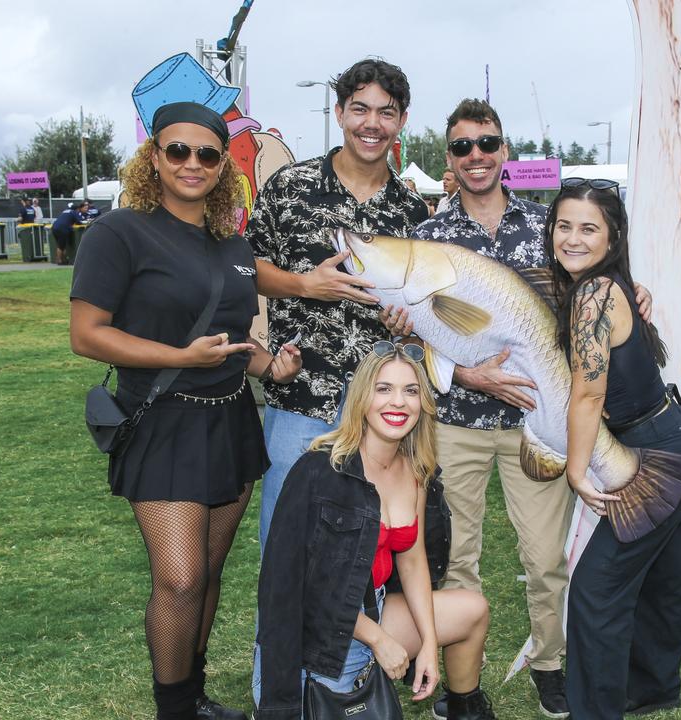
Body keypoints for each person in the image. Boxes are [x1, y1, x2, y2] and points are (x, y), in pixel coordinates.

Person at [380, 99, 654, 719]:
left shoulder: (547, 228)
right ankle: (462, 685)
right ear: (447, 157)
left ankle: (551, 668)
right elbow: (409, 339)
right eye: (461, 147)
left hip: (541, 421)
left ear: (505, 151)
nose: (475, 156)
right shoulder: (427, 238)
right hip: (455, 424)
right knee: (457, 556)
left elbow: (593, 287)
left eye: (487, 143)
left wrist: (629, 290)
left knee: (544, 556)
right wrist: (467, 373)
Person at [70, 101, 302, 720]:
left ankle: (193, 694)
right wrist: (181, 355)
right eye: (178, 150)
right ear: (154, 156)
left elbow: (229, 336)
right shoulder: (118, 232)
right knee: (179, 578)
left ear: (225, 162)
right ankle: (172, 708)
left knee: (208, 573)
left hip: (229, 420)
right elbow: (87, 334)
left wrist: (266, 364)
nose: (192, 163)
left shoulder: (230, 241)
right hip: (163, 421)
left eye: (207, 153)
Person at [246, 57, 428, 551]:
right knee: (287, 547)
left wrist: (405, 324)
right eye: (360, 109)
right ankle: (276, 635)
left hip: (381, 408)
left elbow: (422, 311)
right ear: (340, 113)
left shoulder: (413, 213)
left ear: (402, 120)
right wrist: (305, 284)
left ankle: (358, 635)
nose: (372, 123)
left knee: (366, 552)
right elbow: (245, 269)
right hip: (300, 399)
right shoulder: (290, 187)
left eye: (386, 113)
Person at [256, 344, 496, 720]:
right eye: (383, 389)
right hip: (321, 637)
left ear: (424, 403)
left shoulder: (416, 472)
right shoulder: (319, 472)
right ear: (362, 398)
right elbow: (299, 588)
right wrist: (379, 640)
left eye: (411, 391)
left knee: (472, 609)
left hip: (373, 609)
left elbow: (413, 560)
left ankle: (466, 710)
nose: (398, 402)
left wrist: (429, 644)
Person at [544, 179, 681, 719]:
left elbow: (588, 394)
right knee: (661, 576)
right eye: (563, 225)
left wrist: (575, 470)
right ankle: (652, 685)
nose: (572, 238)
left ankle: (597, 708)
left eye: (588, 228)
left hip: (657, 455)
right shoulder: (607, 286)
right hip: (673, 438)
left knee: (596, 590)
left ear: (612, 236)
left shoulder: (593, 295)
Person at [52, 200, 89, 264]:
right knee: (61, 246)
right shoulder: (74, 212)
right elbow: (80, 222)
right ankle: (59, 261)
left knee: (61, 245)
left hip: (54, 227)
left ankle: (64, 260)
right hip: (62, 229)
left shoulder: (65, 211)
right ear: (77, 209)